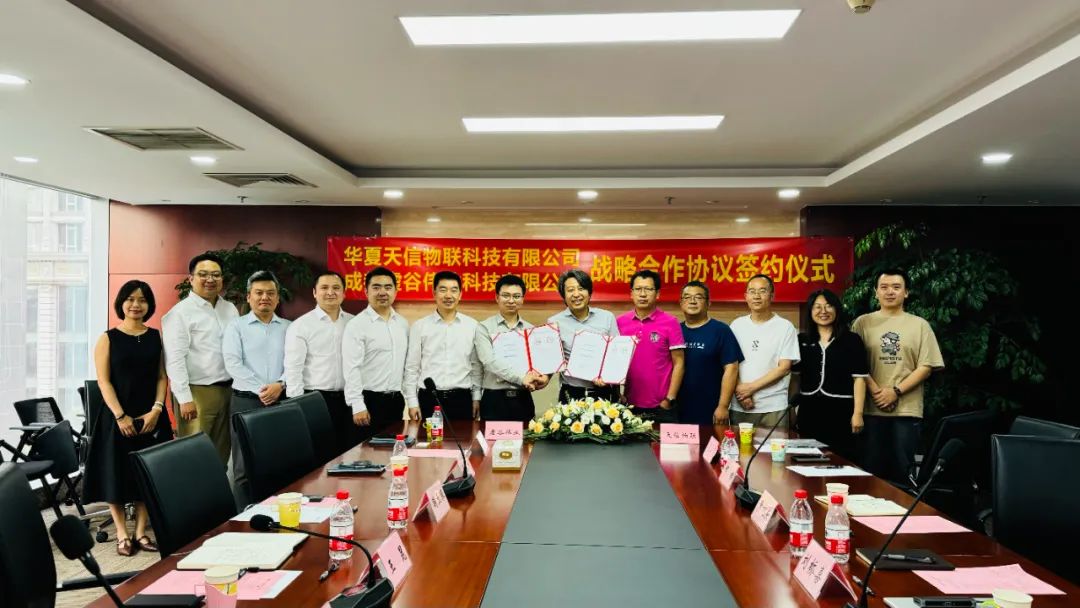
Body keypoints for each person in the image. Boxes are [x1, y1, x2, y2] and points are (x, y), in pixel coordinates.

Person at [83, 280, 171, 556]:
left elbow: (161, 376)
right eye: (130, 299)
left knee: (147, 473)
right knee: (116, 473)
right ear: (121, 302)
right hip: (117, 416)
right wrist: (121, 416)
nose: (136, 304)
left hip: (151, 415)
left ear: (149, 305)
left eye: (142, 300)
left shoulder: (156, 337)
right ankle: (122, 533)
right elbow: (104, 381)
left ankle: (141, 531)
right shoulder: (108, 338)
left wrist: (157, 408)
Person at [852, 269, 945, 483]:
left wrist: (895, 391)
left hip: (906, 411)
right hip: (870, 409)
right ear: (876, 292)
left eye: (896, 287)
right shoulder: (862, 323)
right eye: (884, 287)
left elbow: (926, 366)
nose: (890, 292)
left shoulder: (920, 325)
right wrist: (877, 391)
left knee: (903, 472)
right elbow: (855, 363)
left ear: (906, 292)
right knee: (870, 472)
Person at [161, 253, 239, 464]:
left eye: (216, 274)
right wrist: (184, 398)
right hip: (197, 393)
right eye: (203, 274)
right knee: (194, 454)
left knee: (222, 453)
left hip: (228, 390)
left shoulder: (230, 308)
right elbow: (175, 359)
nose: (210, 279)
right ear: (191, 279)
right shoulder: (180, 313)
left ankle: (218, 487)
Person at [221, 270, 290, 500]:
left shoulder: (289, 327)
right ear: (249, 297)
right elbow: (233, 363)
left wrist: (280, 384)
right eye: (259, 293)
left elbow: (296, 363)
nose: (264, 297)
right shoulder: (236, 326)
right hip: (246, 401)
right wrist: (264, 389)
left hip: (281, 400)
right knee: (243, 466)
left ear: (277, 298)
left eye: (270, 293)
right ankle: (243, 514)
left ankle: (277, 511)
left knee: (280, 461)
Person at [792, 289, 868, 462]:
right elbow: (795, 378)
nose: (823, 311)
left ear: (837, 309)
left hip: (841, 410)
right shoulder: (802, 340)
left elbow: (859, 379)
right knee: (807, 459)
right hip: (809, 409)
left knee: (840, 459)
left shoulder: (851, 340)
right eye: (817, 307)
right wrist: (791, 409)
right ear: (810, 311)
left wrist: (858, 413)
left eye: (828, 306)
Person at [284, 271, 355, 454]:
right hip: (315, 400)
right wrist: (297, 406)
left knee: (348, 453)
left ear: (344, 293)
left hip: (349, 400)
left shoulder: (354, 323)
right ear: (315, 293)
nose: (330, 292)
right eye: (324, 288)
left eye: (336, 288)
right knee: (320, 454)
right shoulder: (301, 326)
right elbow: (293, 369)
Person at [343, 266, 411, 441]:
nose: (382, 292)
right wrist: (357, 404)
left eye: (388, 287)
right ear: (366, 291)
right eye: (376, 287)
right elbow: (351, 368)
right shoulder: (357, 325)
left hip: (395, 401)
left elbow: (406, 367)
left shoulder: (402, 324)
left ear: (395, 291)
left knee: (394, 451)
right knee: (366, 453)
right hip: (368, 401)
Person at [403, 271, 482, 420]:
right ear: (434, 293)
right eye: (443, 290)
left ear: (460, 294)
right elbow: (412, 367)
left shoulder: (472, 326)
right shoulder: (420, 326)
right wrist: (412, 402)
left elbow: (476, 366)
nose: (448, 295)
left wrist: (476, 397)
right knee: (429, 436)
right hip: (429, 399)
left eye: (454, 290)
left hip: (462, 399)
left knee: (463, 436)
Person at [474, 274, 549, 422]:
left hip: (523, 399)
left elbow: (538, 363)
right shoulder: (484, 327)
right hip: (494, 400)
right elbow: (489, 361)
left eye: (516, 296)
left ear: (522, 299)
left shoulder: (531, 330)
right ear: (497, 297)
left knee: (526, 437)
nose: (511, 300)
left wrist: (541, 377)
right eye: (506, 295)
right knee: (491, 438)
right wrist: (521, 378)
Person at [729, 274, 800, 427]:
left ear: (772, 296)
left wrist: (751, 388)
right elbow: (730, 364)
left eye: (762, 291)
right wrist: (741, 393)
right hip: (740, 404)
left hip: (774, 406)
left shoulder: (785, 327)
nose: (757, 296)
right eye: (752, 291)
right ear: (746, 296)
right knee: (739, 443)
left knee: (775, 444)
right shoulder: (736, 325)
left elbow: (784, 368)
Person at [617, 270, 686, 421]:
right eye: (638, 289)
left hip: (661, 406)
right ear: (631, 293)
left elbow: (679, 363)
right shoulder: (620, 322)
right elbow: (614, 361)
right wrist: (618, 394)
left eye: (648, 289)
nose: (642, 294)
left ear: (658, 294)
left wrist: (669, 399)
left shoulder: (670, 322)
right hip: (629, 404)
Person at [547, 269, 621, 403]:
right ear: (563, 295)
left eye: (581, 289)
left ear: (589, 292)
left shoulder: (607, 317)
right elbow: (552, 360)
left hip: (603, 390)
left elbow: (617, 354)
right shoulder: (554, 323)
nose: (576, 294)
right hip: (571, 393)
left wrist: (608, 375)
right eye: (570, 290)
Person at [676, 281, 743, 425]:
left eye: (698, 297)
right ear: (681, 303)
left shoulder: (721, 330)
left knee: (710, 441)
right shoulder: (675, 331)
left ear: (708, 303)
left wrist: (723, 406)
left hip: (711, 408)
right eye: (687, 297)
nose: (692, 301)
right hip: (677, 409)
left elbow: (732, 368)